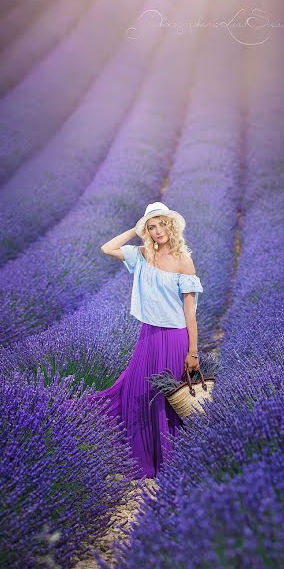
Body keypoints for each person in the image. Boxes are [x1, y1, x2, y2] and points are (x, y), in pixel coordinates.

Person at [86, 202, 204, 479]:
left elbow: (190, 312)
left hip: (175, 336)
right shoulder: (141, 255)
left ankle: (171, 459)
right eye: (151, 227)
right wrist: (136, 228)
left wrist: (194, 351)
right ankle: (140, 452)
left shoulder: (183, 260)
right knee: (137, 390)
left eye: (161, 224)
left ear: (170, 226)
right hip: (149, 335)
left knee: (170, 396)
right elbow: (107, 248)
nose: (157, 230)